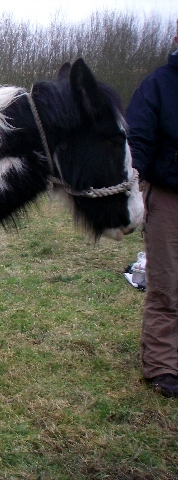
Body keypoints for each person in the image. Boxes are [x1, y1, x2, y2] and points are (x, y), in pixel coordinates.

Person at [126, 19, 178, 397]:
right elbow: (138, 142)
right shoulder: (157, 86)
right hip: (169, 195)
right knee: (167, 282)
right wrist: (136, 191)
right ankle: (163, 366)